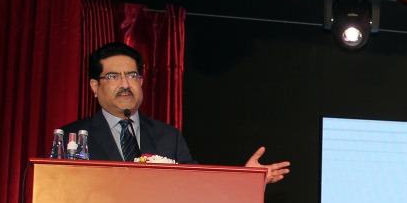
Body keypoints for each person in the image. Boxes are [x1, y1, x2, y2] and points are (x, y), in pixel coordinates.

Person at [60, 42, 289, 183]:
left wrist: (248, 181)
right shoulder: (73, 137)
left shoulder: (168, 136)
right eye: (113, 77)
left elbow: (197, 187)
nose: (125, 84)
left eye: (132, 76)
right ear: (94, 86)